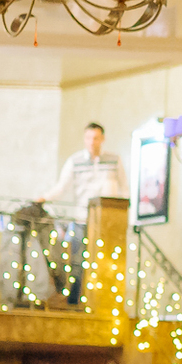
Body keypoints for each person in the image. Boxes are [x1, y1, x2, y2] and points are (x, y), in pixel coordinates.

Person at [38, 122, 127, 303]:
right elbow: (62, 186)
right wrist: (44, 197)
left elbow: (124, 189)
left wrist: (127, 217)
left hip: (108, 221)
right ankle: (74, 300)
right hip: (81, 219)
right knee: (78, 261)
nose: (92, 142)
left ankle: (104, 301)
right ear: (84, 139)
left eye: (96, 138)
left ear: (102, 139)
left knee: (108, 261)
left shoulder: (114, 160)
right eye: (89, 138)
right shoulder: (75, 161)